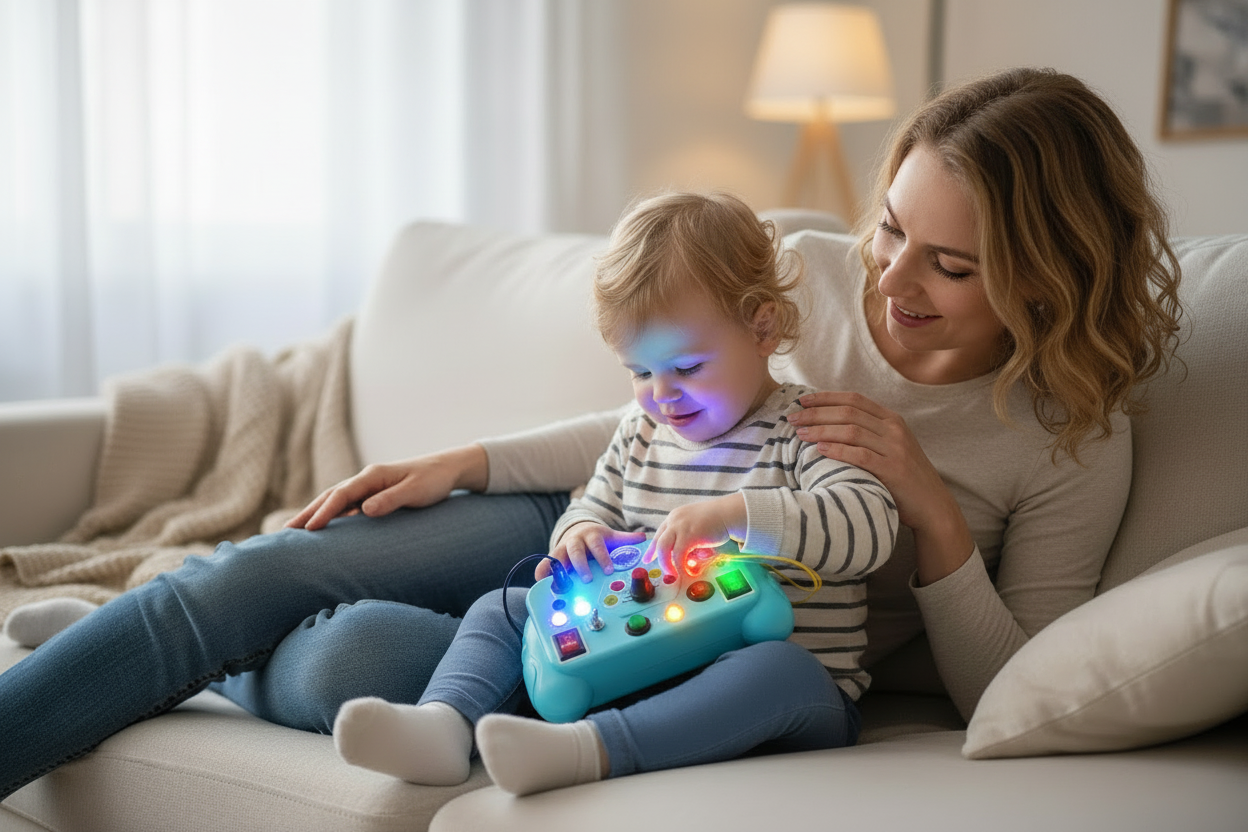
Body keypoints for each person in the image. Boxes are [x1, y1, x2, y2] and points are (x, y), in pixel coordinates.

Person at [0, 66, 1181, 798]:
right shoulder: (809, 277)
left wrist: (928, 510)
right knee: (281, 563)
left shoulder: (1069, 437)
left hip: (708, 623)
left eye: (951, 264)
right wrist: (470, 461)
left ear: (1043, 279)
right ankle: (92, 665)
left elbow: (1010, 691)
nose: (890, 280)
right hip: (605, 536)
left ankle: (120, 669)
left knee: (356, 656)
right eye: (888, 229)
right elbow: (649, 412)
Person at [329, 191, 898, 795]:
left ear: (762, 327)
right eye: (640, 372)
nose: (662, 395)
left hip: (788, 693)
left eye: (686, 367)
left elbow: (870, 527)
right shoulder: (640, 432)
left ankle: (588, 751)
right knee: (507, 608)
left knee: (779, 669)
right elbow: (591, 504)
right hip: (643, 663)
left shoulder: (807, 427)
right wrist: (579, 537)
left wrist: (735, 516)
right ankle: (443, 725)